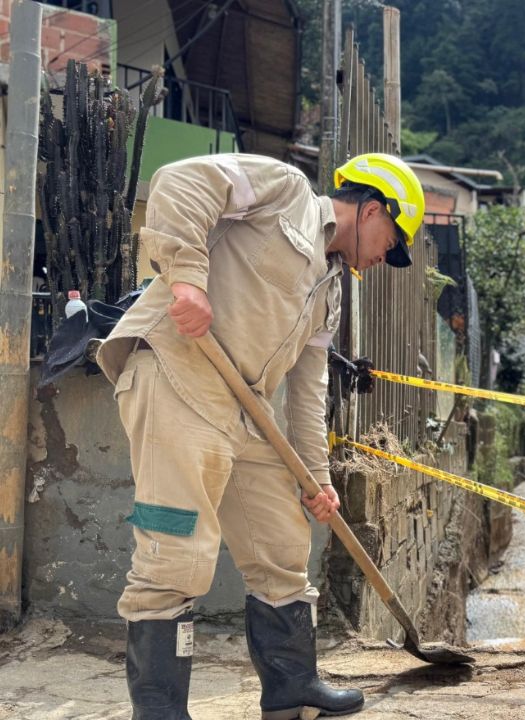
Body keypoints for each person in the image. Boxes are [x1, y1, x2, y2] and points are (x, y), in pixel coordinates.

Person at [97, 152, 426, 719]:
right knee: (173, 553)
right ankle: (159, 711)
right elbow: (179, 182)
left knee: (282, 544)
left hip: (245, 408)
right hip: (177, 378)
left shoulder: (330, 289)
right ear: (373, 210)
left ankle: (291, 686)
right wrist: (188, 281)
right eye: (390, 243)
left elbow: (308, 389)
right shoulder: (285, 191)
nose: (382, 259)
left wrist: (316, 479)